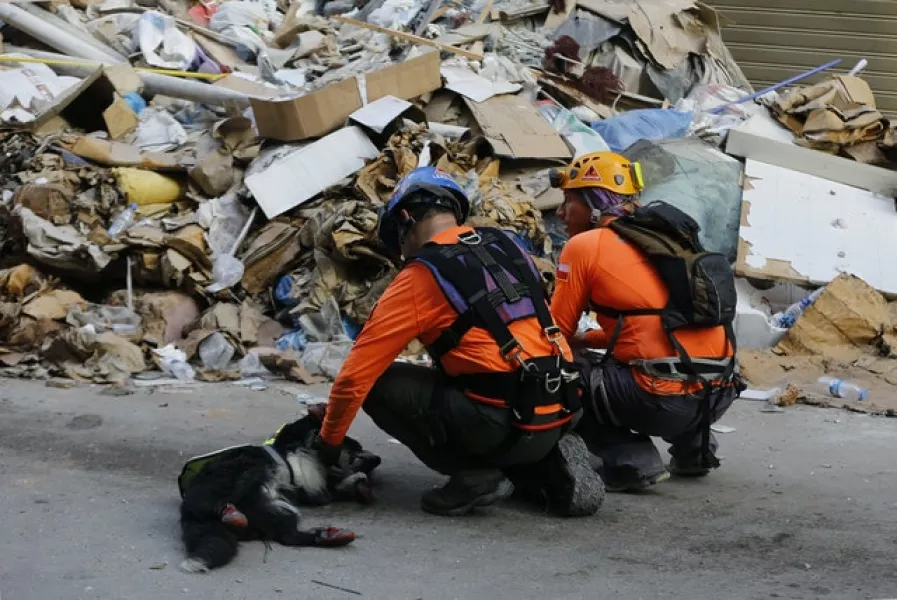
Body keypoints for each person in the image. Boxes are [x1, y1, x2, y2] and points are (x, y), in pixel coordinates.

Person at [309, 167, 604, 517]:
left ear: (405, 218)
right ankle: (545, 461)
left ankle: (476, 475)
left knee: (378, 385)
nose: (402, 251)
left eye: (399, 239)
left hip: (501, 419)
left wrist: (328, 446)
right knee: (467, 368)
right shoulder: (507, 246)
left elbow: (354, 378)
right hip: (561, 404)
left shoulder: (420, 275)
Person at [549, 151, 743, 492]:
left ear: (595, 204)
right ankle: (694, 450)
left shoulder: (584, 246)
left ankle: (632, 460)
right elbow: (656, 321)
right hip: (717, 392)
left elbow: (554, 333)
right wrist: (590, 339)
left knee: (556, 374)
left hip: (659, 401)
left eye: (569, 201)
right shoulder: (664, 235)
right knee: (662, 364)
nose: (561, 213)